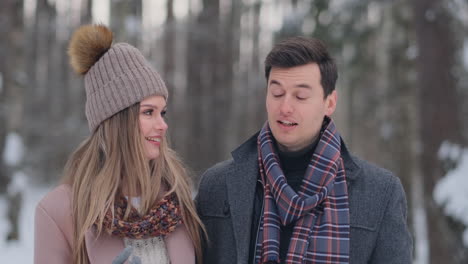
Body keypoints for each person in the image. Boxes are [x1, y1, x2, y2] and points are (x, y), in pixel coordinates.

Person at [196, 36, 412, 264]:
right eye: (277, 94)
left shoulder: (380, 192)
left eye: (300, 96)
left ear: (329, 103)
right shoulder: (217, 186)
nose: (285, 107)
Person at [34, 24, 205, 264]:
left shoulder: (178, 199)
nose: (162, 125)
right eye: (148, 112)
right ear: (117, 122)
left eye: (162, 113)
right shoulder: (59, 211)